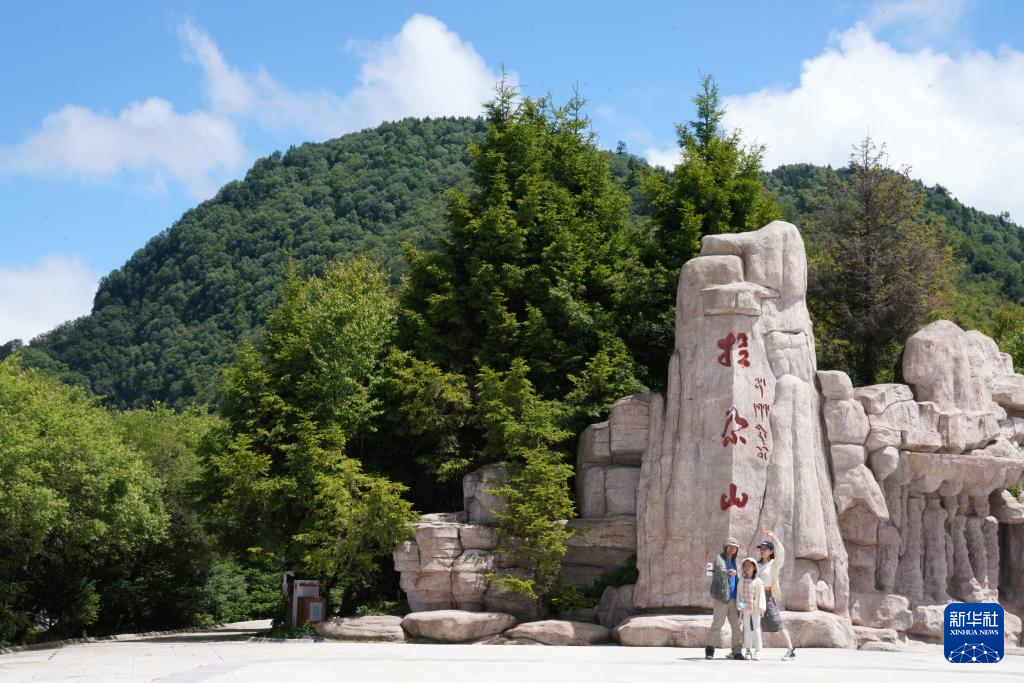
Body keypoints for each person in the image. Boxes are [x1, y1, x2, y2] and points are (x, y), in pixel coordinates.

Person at [757, 529, 796, 660]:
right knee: (752, 623)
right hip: (757, 597)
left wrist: (774, 537)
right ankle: (749, 650)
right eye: (761, 549)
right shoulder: (757, 565)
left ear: (771, 551)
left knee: (777, 622)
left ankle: (790, 650)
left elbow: (781, 553)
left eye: (765, 549)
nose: (762, 551)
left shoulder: (774, 564)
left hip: (767, 596)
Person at [705, 537, 743, 660]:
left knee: (736, 626)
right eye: (730, 546)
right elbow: (721, 570)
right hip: (722, 598)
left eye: (734, 547)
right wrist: (728, 572)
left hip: (734, 598)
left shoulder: (735, 561)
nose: (732, 549)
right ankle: (709, 649)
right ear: (725, 547)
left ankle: (737, 651)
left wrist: (741, 602)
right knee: (717, 624)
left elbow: (738, 579)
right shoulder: (719, 559)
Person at [738, 557, 766, 660]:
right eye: (745, 566)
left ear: (754, 567)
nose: (747, 567)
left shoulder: (758, 582)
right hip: (745, 608)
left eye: (749, 566)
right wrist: (740, 609)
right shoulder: (741, 582)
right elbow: (740, 596)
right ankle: (748, 651)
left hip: (756, 608)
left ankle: (758, 651)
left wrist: (761, 608)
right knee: (746, 628)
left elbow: (761, 596)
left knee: (757, 629)